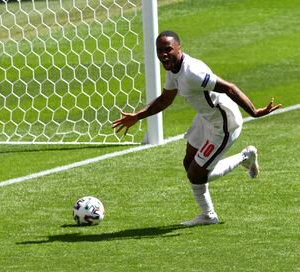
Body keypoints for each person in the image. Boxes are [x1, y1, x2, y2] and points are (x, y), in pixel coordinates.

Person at [111, 30, 281, 226]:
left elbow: (229, 88)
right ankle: (211, 209)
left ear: (179, 48)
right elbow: (166, 99)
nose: (164, 54)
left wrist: (254, 112)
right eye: (160, 51)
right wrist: (138, 116)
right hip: (205, 118)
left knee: (196, 174)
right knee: (189, 163)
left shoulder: (192, 73)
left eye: (168, 49)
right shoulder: (172, 68)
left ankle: (240, 164)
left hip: (223, 123)